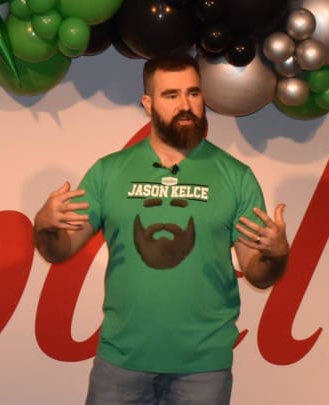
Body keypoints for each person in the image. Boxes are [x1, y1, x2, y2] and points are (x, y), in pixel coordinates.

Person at [33, 54, 290, 405]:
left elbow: (259, 274)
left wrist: (276, 254)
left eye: (194, 93)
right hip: (121, 363)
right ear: (147, 104)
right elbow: (59, 250)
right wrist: (44, 227)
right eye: (171, 95)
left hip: (203, 368)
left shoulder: (237, 176)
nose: (186, 105)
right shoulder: (109, 172)